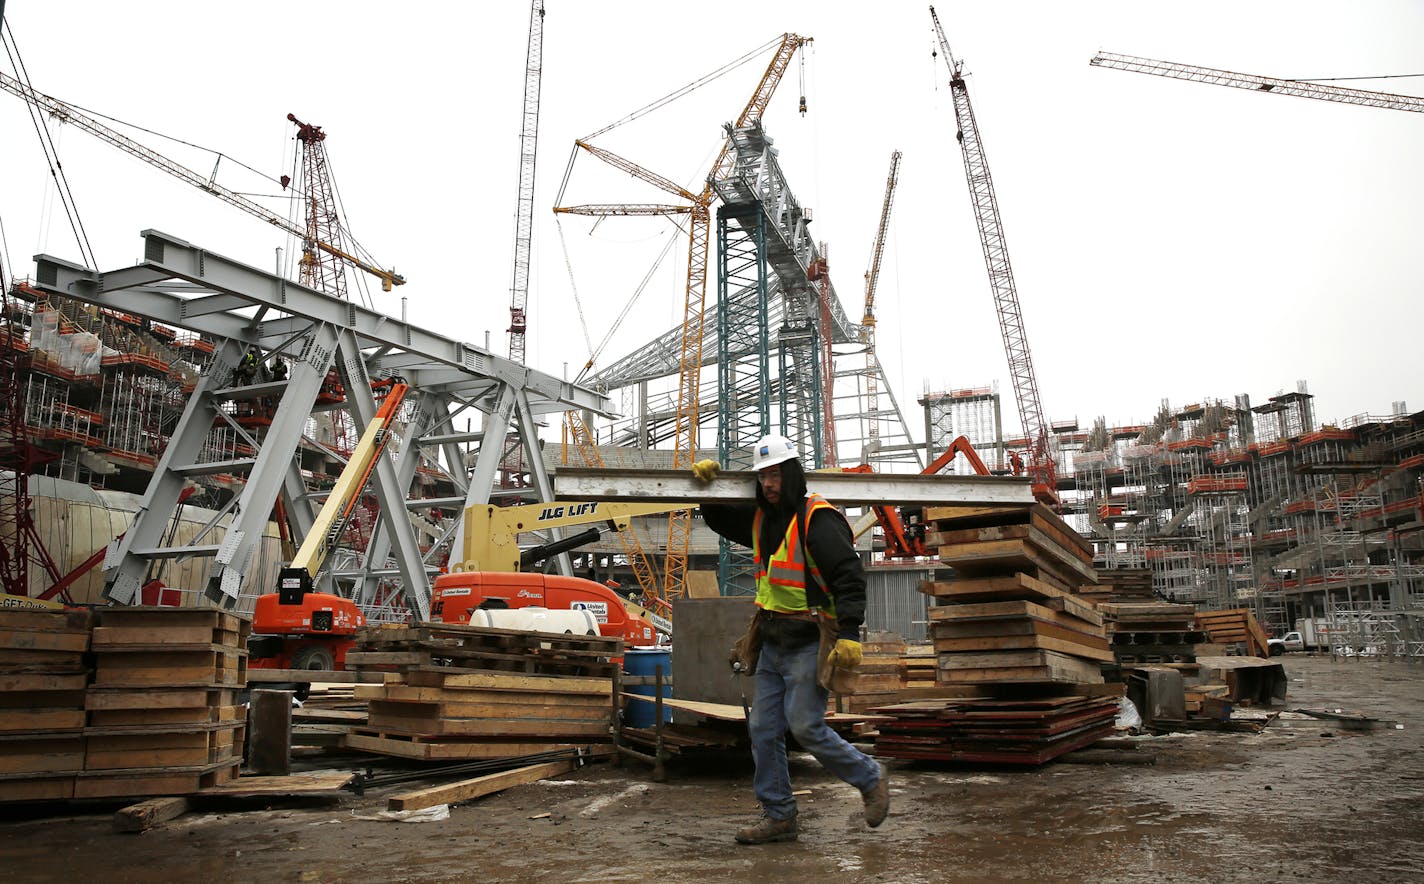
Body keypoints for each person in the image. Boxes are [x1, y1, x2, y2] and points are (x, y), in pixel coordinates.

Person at [693, 432, 889, 845]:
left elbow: (849, 578)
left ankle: (869, 777)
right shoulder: (763, 519)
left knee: (805, 726)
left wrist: (850, 633)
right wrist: (707, 492)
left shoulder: (818, 520)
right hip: (772, 640)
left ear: (792, 472)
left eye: (776, 473)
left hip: (807, 641)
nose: (768, 483)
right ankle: (780, 815)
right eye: (763, 475)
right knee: (763, 729)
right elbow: (722, 522)